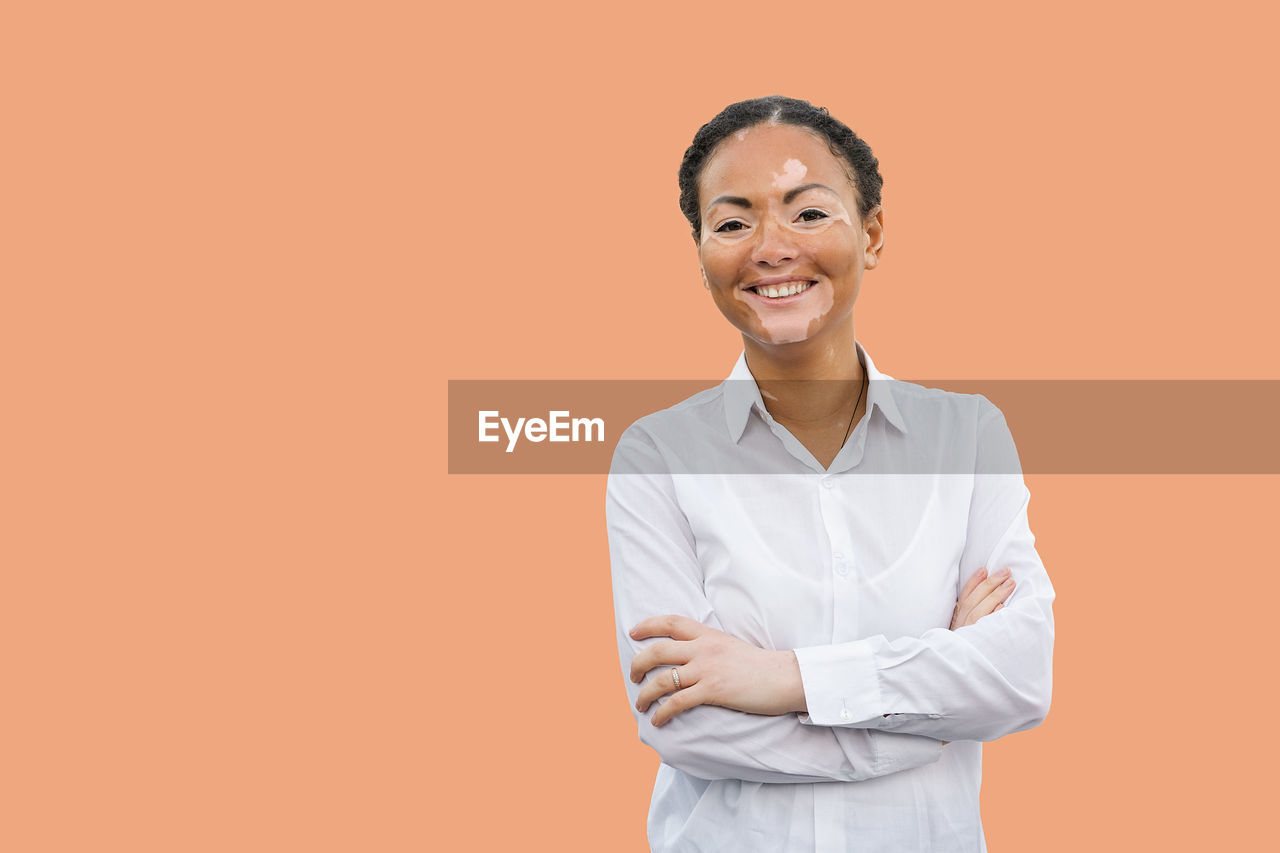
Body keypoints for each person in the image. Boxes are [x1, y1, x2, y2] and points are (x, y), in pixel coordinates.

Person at [605, 96, 1055, 852]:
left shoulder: (967, 435)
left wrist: (785, 680)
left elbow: (1017, 675)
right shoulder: (656, 457)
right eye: (732, 221)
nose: (772, 247)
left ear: (871, 234)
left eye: (809, 213)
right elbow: (684, 724)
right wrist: (929, 716)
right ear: (702, 253)